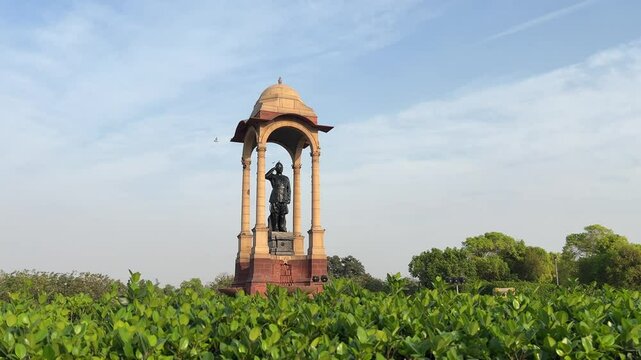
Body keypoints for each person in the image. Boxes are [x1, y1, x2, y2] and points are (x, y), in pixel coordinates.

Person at [265, 161, 291, 232]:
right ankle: (275, 227)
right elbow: (266, 176)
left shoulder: (286, 178)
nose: (280, 168)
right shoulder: (273, 176)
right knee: (275, 214)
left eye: (281, 167)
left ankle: (282, 227)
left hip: (284, 199)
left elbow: (289, 189)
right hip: (275, 198)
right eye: (279, 167)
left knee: (282, 214)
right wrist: (273, 169)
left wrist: (288, 198)